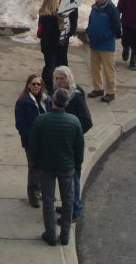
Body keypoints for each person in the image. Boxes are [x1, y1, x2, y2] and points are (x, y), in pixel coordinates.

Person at [28, 88, 84, 248]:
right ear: (67, 103)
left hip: (46, 167)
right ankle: (65, 235)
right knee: (68, 200)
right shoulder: (74, 121)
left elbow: (33, 146)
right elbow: (79, 147)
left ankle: (51, 235)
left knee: (48, 200)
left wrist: (36, 163)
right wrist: (77, 164)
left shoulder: (41, 120)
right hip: (67, 167)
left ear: (52, 101)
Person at [53, 66, 92, 222]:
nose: (59, 81)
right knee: (65, 180)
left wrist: (73, 133)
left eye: (62, 78)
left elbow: (87, 122)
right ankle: (68, 205)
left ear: (68, 78)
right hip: (62, 144)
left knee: (73, 178)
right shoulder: (57, 94)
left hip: (72, 145)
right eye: (57, 78)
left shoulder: (76, 97)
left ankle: (74, 209)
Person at [14, 74, 51, 208]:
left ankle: (42, 190)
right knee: (34, 168)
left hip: (47, 141)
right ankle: (33, 194)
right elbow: (20, 124)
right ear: (28, 85)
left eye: (38, 84)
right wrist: (29, 138)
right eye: (34, 84)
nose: (36, 86)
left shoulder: (47, 100)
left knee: (45, 167)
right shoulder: (23, 102)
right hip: (32, 142)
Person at [86, 0, 122, 103]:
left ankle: (111, 91)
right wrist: (89, 32)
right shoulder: (94, 8)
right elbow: (91, 22)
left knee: (108, 69)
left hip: (106, 44)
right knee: (95, 67)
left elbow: (117, 28)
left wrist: (106, 36)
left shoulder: (112, 9)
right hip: (94, 43)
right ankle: (98, 88)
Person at [37, 0, 61, 94]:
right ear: (52, 2)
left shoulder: (54, 13)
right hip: (50, 45)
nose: (59, 1)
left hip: (51, 45)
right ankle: (49, 87)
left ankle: (43, 83)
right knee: (50, 66)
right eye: (58, 0)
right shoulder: (47, 16)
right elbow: (51, 32)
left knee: (49, 65)